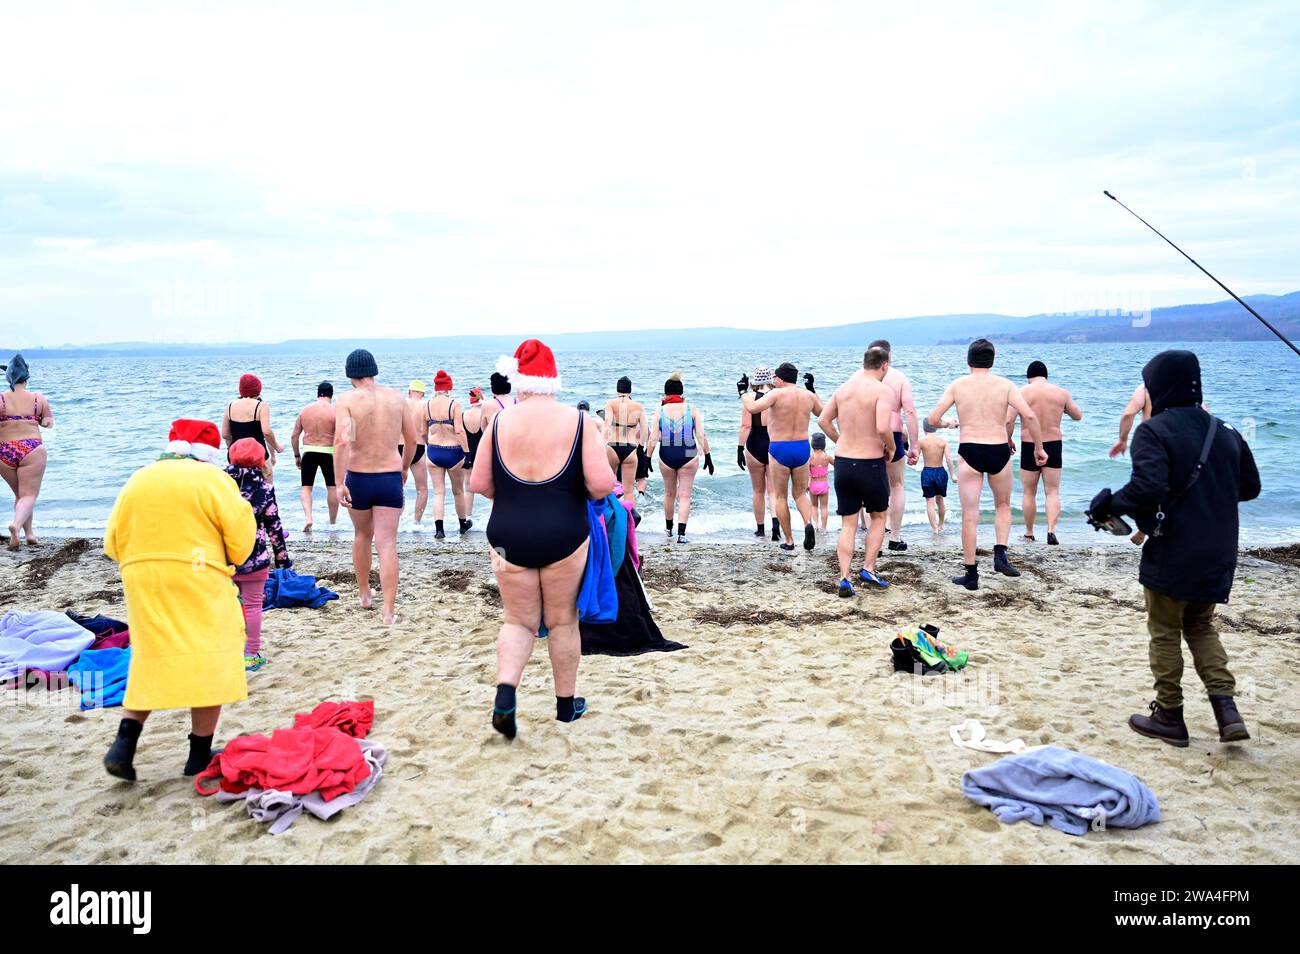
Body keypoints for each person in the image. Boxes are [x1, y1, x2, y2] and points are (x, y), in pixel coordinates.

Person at [1087, 350, 1260, 747]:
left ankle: (1169, 715)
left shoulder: (1154, 430)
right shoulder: (1225, 430)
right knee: (1201, 626)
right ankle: (1226, 710)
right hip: (1218, 552)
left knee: (1164, 631)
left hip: (1173, 550)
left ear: (1160, 385)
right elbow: (1249, 488)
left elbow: (1149, 488)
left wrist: (1108, 506)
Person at [471, 339, 616, 740]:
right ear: (554, 380)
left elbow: (480, 482)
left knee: (517, 621)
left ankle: (505, 696)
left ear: (518, 382)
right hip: (564, 534)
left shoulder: (499, 422)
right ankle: (566, 706)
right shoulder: (579, 421)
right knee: (562, 620)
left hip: (506, 534)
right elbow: (602, 484)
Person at [101, 419, 256, 781]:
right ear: (209, 454)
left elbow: (112, 543)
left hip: (143, 577)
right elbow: (241, 540)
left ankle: (124, 745)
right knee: (212, 655)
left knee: (152, 655)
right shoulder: (213, 479)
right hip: (197, 574)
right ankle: (198, 756)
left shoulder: (139, 477)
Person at [927, 338, 1046, 590]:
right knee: (1003, 504)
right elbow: (1029, 415)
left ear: (969, 360)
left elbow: (933, 418)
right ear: (992, 360)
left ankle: (971, 575)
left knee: (970, 514)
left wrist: (948, 423)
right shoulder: (1005, 385)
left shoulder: (958, 385)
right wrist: (1038, 447)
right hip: (998, 448)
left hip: (970, 449)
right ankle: (1000, 554)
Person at [336, 349, 417, 626]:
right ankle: (389, 611)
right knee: (387, 543)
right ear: (373, 371)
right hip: (389, 477)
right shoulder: (397, 398)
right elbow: (413, 440)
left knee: (361, 535)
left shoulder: (347, 400)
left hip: (359, 476)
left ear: (350, 375)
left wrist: (338, 484)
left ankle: (365, 595)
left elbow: (344, 442)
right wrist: (405, 467)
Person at [817, 346, 895, 595]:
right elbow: (883, 427)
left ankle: (844, 577)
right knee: (879, 516)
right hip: (870, 463)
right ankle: (868, 568)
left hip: (843, 463)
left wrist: (840, 440)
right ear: (884, 365)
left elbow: (822, 421)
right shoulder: (883, 391)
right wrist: (890, 447)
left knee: (848, 523)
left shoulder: (844, 388)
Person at [225, 438, 291, 671]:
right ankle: (251, 654)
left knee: (227, 605)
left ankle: (228, 650)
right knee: (253, 606)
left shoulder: (218, 487)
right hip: (255, 558)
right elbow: (274, 525)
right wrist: (282, 557)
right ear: (262, 461)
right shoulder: (264, 489)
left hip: (222, 560)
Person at [742, 362, 823, 551]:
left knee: (780, 496)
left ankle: (789, 540)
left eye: (776, 378)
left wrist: (742, 393)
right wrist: (812, 389)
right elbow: (822, 413)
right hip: (802, 447)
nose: (774, 381)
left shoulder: (775, 394)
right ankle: (807, 524)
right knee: (801, 493)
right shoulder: (808, 395)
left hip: (780, 447)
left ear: (781, 379)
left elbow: (753, 408)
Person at [1008, 360, 1083, 545]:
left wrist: (1008, 439)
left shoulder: (1021, 393)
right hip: (1054, 444)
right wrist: (1062, 410)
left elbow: (1008, 421)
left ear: (1028, 377)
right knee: (1052, 492)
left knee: (1028, 492)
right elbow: (1078, 415)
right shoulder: (1061, 393)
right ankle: (1051, 530)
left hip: (1028, 444)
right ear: (1046, 376)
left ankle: (1029, 532)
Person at [645, 373, 713, 543]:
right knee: (685, 496)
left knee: (669, 494)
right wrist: (708, 455)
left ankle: (668, 530)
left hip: (666, 455)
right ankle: (682, 534)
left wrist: (647, 458)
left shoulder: (659, 410)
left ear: (665, 394)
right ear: (682, 394)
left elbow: (653, 437)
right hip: (688, 454)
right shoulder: (691, 408)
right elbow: (700, 434)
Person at [869, 340, 920, 552]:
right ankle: (894, 537)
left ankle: (875, 540)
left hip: (868, 434)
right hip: (894, 433)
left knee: (871, 488)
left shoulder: (860, 378)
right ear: (889, 357)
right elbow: (909, 411)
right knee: (897, 485)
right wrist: (915, 445)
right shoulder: (899, 378)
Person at [0, 355, 54, 549]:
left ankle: (29, 534)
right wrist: (35, 420)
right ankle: (15, 524)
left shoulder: (1, 399)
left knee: (21, 495)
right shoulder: (38, 399)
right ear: (27, 376)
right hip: (31, 449)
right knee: (29, 495)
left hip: (4, 452)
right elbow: (48, 423)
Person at [423, 370, 472, 539]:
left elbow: (424, 432)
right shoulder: (454, 405)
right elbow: (459, 431)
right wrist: (468, 453)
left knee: (438, 492)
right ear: (449, 387)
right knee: (458, 491)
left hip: (433, 451)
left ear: (436, 387)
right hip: (453, 452)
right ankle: (462, 524)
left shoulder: (427, 404)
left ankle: (439, 530)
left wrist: (429, 445)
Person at [290, 381, 338, 532]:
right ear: (331, 394)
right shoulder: (335, 411)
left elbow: (294, 436)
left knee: (306, 487)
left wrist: (297, 455)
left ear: (318, 394)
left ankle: (309, 518)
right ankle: (332, 523)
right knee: (332, 488)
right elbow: (344, 438)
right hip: (328, 452)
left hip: (309, 452)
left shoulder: (305, 410)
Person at [738, 366, 777, 538]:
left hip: (754, 444)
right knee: (774, 491)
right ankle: (776, 526)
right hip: (773, 444)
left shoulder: (750, 399)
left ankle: (760, 529)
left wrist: (740, 449)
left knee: (758, 490)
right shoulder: (777, 397)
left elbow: (746, 426)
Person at [221, 374, 283, 472]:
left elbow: (225, 434)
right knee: (267, 485)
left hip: (235, 455)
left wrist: (233, 447)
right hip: (257, 456)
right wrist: (277, 447)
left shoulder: (230, 406)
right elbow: (266, 432)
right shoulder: (261, 406)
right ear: (258, 389)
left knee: (238, 486)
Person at [603, 377, 645, 503]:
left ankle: (609, 519)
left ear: (617, 390)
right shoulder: (638, 406)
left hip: (613, 447)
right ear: (630, 391)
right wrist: (641, 449)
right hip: (630, 448)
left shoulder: (610, 403)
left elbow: (606, 426)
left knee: (608, 488)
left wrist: (601, 446)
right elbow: (644, 430)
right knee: (629, 492)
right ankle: (632, 521)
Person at [916, 419, 957, 533]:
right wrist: (953, 474)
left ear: (924, 428)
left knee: (930, 502)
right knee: (940, 501)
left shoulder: (921, 441)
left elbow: (915, 458)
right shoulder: (942, 442)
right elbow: (948, 459)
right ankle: (941, 524)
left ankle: (934, 529)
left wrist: (910, 459)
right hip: (940, 472)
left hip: (928, 473)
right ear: (936, 427)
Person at [399, 379, 430, 525]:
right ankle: (416, 523)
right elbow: (425, 432)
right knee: (422, 489)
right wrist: (429, 443)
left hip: (399, 447)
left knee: (397, 487)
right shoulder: (425, 406)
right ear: (422, 393)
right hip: (418, 447)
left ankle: (398, 520)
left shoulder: (400, 404)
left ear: (409, 391)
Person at [462, 386, 487, 519]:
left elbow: (459, 435)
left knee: (468, 487)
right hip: (482, 454)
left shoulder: (463, 415)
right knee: (492, 486)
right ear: (481, 399)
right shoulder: (483, 415)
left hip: (467, 454)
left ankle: (467, 518)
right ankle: (491, 518)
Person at [1109, 383, 1149, 459]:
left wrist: (1123, 440)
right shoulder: (1178, 386)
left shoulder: (1145, 387)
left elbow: (1128, 415)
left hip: (1150, 444)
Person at [809, 433, 833, 532]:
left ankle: (816, 525)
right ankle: (824, 528)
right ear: (824, 444)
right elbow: (837, 465)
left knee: (814, 506)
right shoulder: (827, 457)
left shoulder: (810, 458)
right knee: (824, 507)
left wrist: (806, 483)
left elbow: (806, 472)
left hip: (813, 485)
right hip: (824, 485)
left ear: (812, 444)